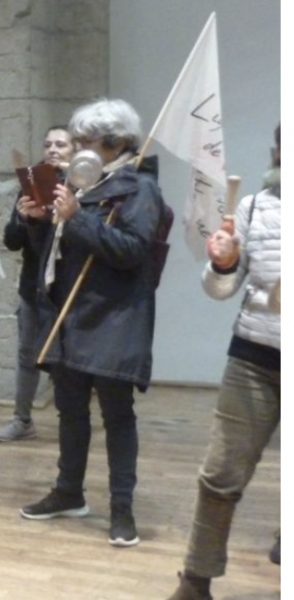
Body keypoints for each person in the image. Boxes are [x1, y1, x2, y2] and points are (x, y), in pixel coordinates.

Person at [18, 98, 164, 547]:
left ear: (116, 143)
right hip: (67, 315)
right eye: (76, 139)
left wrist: (77, 219)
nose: (77, 148)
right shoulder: (78, 184)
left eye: (86, 141)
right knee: (70, 411)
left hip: (112, 317)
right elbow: (60, 250)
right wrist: (40, 222)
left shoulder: (138, 189)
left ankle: (122, 509)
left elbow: (130, 251)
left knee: (117, 416)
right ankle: (68, 492)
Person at [166, 124, 281, 600]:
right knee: (220, 474)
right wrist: (224, 263)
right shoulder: (255, 207)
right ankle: (196, 581)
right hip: (254, 359)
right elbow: (220, 291)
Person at [0, 126, 74, 442]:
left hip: (66, 290)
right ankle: (22, 420)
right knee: (26, 354)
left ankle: (73, 421)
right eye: (48, 144)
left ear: (74, 151)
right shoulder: (32, 185)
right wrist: (26, 219)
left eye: (61, 144)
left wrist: (51, 218)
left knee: (67, 360)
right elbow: (11, 241)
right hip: (33, 286)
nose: (53, 149)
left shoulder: (79, 187)